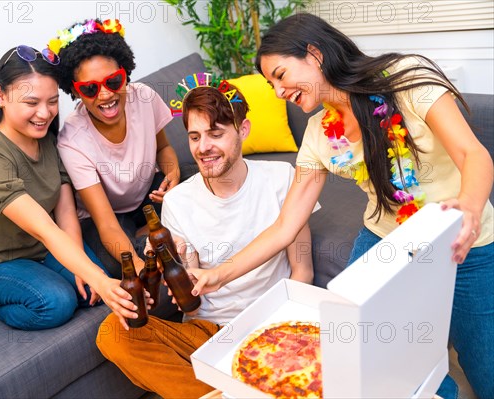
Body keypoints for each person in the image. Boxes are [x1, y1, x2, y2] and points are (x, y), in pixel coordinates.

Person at [188, 13, 494, 399]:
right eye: (271, 84)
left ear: (314, 54)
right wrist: (219, 275)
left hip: (468, 239)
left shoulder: (406, 76)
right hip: (385, 242)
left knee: (487, 369)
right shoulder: (318, 133)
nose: (279, 91)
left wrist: (468, 209)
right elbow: (286, 225)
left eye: (280, 75)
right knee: (377, 361)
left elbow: (474, 155)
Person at [96, 82, 316, 398]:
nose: (203, 147)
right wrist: (177, 261)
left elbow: (303, 270)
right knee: (112, 333)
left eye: (216, 134)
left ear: (243, 130)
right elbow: (192, 294)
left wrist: (286, 330)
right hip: (209, 334)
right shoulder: (177, 202)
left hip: (272, 324)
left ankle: (232, 389)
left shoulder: (281, 178)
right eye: (195, 137)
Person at [0, 45, 144, 331]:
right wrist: (94, 276)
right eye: (31, 103)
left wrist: (87, 270)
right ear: (0, 95)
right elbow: (44, 227)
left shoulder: (47, 141)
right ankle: (0, 306)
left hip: (45, 249)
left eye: (52, 101)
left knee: (90, 293)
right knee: (58, 303)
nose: (44, 114)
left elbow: (66, 212)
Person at [52, 19, 180, 278]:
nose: (105, 95)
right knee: (116, 264)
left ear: (125, 73)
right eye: (89, 88)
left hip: (147, 194)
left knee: (199, 187)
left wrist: (173, 177)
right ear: (75, 92)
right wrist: (138, 266)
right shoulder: (72, 140)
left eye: (112, 81)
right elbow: (106, 224)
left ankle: (148, 231)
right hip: (108, 214)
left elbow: (163, 148)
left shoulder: (144, 97)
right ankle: (151, 232)